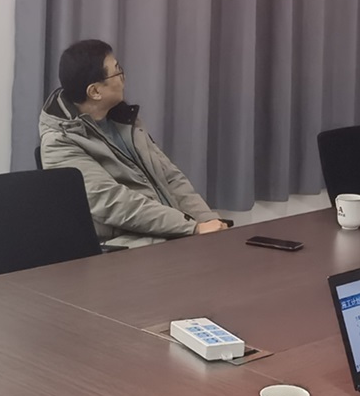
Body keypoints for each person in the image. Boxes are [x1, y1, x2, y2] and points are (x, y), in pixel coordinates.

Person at [38, 39, 230, 249]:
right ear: (95, 92)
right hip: (125, 246)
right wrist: (191, 228)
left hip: (171, 234)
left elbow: (170, 177)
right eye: (117, 72)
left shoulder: (122, 119)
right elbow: (113, 202)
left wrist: (208, 222)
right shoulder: (59, 142)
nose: (124, 78)